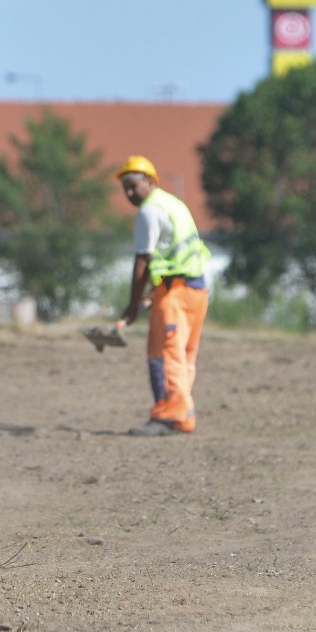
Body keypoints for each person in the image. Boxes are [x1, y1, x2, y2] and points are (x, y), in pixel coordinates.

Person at [114, 155, 210, 436]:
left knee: (165, 355)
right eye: (125, 188)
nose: (130, 193)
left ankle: (168, 416)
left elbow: (142, 261)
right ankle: (181, 415)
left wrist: (132, 305)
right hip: (196, 290)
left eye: (133, 185)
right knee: (183, 357)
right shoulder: (174, 204)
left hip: (175, 293)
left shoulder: (149, 210)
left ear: (150, 181)